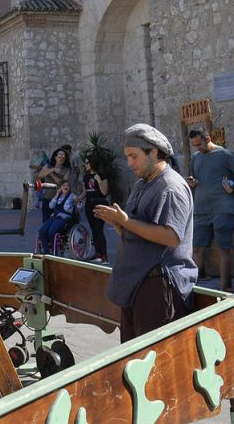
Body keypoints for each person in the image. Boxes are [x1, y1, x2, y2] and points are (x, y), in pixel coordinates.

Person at [95, 124, 195, 342]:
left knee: (152, 360)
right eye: (127, 157)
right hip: (137, 284)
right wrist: (119, 225)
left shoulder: (170, 187)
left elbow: (171, 237)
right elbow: (138, 235)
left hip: (157, 287)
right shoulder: (142, 184)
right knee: (133, 360)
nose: (130, 163)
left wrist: (126, 221)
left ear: (154, 152)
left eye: (134, 156)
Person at [187, 127, 234, 291]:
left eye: (199, 144)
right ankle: (189, 291)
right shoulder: (196, 158)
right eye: (194, 145)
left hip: (223, 208)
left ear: (207, 138)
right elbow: (195, 179)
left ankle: (225, 289)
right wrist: (191, 183)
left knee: (224, 248)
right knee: (197, 249)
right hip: (201, 210)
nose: (198, 148)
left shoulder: (224, 154)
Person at [83, 153, 110, 262]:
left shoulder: (102, 175)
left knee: (99, 230)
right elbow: (85, 192)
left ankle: (104, 256)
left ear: (92, 163)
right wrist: (77, 199)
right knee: (93, 230)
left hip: (99, 204)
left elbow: (104, 192)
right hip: (89, 204)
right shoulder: (85, 177)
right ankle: (97, 254)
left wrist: (98, 180)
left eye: (87, 163)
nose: (85, 165)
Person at [37, 181, 77, 253]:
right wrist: (57, 194)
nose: (66, 187)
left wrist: (77, 200)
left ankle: (54, 251)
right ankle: (46, 252)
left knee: (51, 232)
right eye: (63, 185)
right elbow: (51, 206)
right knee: (42, 230)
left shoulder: (72, 196)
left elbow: (74, 205)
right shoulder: (58, 195)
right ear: (60, 187)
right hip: (54, 217)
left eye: (67, 185)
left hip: (64, 218)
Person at [38, 146, 72, 222]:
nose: (62, 158)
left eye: (64, 156)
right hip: (47, 197)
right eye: (60, 156)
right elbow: (39, 176)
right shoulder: (48, 166)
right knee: (46, 221)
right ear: (55, 157)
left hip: (59, 199)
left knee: (58, 221)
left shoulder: (67, 169)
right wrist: (52, 170)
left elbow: (62, 183)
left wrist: (51, 174)